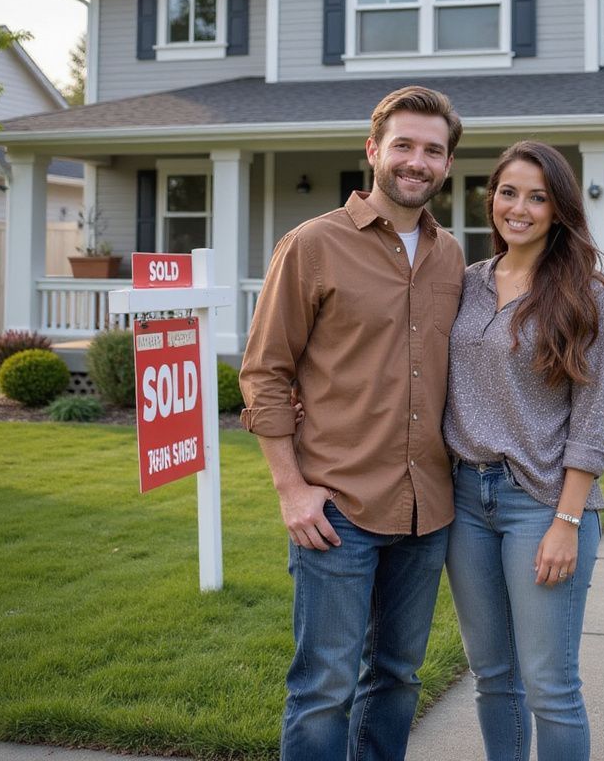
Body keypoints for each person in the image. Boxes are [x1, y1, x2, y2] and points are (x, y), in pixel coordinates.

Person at [238, 86, 465, 761]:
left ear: (447, 163)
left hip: (427, 510)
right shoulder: (313, 245)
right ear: (373, 151)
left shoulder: (450, 256)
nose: (416, 161)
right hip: (337, 508)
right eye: (404, 145)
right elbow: (264, 372)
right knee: (324, 687)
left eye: (432, 149)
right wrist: (290, 489)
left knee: (398, 678)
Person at [443, 140, 604, 761]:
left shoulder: (590, 297)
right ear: (491, 197)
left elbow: (594, 421)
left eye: (537, 197)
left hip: (542, 503)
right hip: (465, 500)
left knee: (551, 687)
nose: (518, 208)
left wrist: (567, 522)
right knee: (493, 679)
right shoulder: (463, 284)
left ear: (559, 208)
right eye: (508, 192)